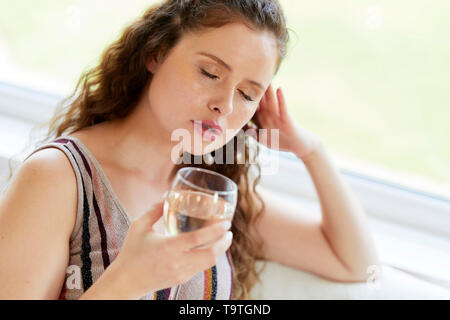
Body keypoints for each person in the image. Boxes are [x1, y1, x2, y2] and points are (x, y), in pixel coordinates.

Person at [0, 0, 380, 300]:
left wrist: (310, 150)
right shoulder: (57, 178)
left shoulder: (211, 201)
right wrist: (125, 284)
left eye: (248, 94)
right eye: (210, 73)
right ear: (156, 53)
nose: (225, 105)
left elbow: (357, 265)